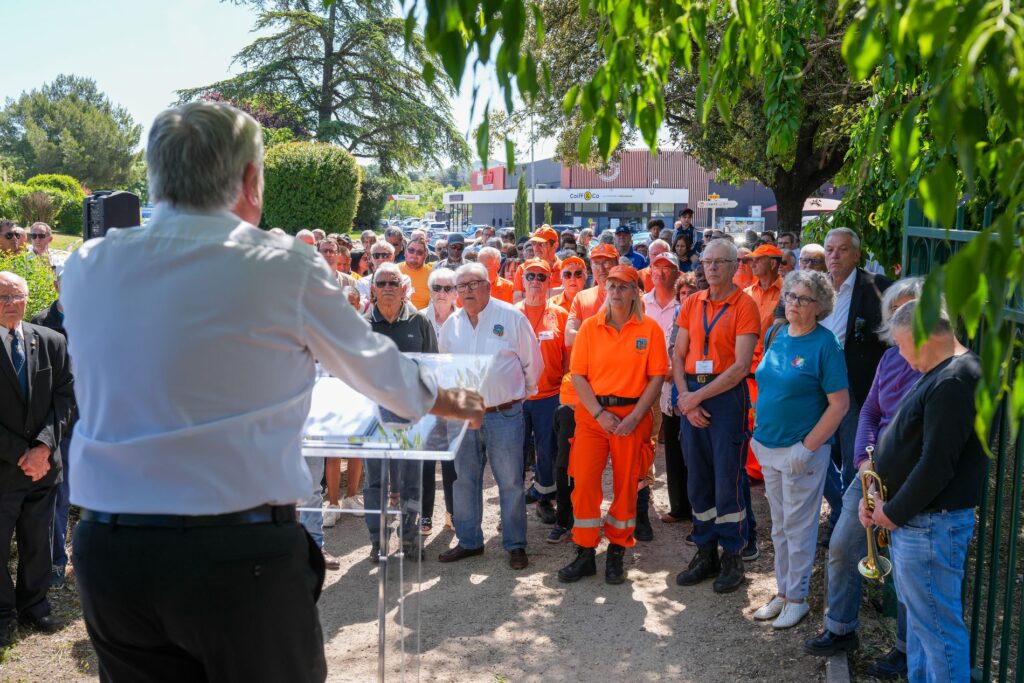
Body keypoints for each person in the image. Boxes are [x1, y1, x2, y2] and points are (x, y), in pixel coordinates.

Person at [61, 101, 483, 682]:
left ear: (156, 177)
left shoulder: (87, 265)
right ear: (250, 180)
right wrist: (453, 400)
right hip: (235, 555)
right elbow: (375, 366)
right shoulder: (283, 266)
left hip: (113, 552)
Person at [803, 277, 923, 676]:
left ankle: (905, 649)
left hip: (908, 477)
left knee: (904, 567)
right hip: (872, 472)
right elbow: (870, 412)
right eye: (897, 311)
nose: (902, 317)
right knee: (842, 545)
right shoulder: (890, 358)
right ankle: (840, 629)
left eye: (911, 309)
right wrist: (864, 463)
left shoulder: (934, 365)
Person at [867, 299, 982, 683]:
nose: (900, 355)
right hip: (921, 524)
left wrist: (892, 512)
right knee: (922, 627)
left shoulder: (953, 380)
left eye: (903, 344)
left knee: (938, 634)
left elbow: (937, 465)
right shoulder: (944, 372)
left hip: (930, 525)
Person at [750, 270, 849, 629]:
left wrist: (806, 448)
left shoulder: (825, 344)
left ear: (819, 306)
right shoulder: (778, 333)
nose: (793, 303)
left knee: (799, 527)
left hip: (800, 451)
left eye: (804, 299)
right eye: (791, 295)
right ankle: (783, 590)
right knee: (779, 526)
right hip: (768, 446)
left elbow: (840, 404)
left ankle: (798, 597)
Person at [557, 265, 668, 584]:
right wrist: (599, 414)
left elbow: (656, 377)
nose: (616, 291)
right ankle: (585, 552)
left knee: (627, 486)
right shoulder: (590, 328)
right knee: (584, 484)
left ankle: (617, 551)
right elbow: (578, 376)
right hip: (593, 418)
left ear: (635, 291)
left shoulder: (650, 330)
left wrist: (635, 416)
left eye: (623, 286)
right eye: (612, 286)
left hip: (632, 418)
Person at [438, 263, 541, 570]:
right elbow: (444, 368)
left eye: (473, 284)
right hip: (463, 415)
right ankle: (469, 541)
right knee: (465, 481)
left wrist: (517, 396)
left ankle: (515, 544)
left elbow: (532, 363)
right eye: (462, 286)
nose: (467, 291)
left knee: (509, 482)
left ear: (488, 286)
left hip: (503, 414)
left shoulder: (511, 317)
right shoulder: (451, 325)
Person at [672, 239, 761, 594]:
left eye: (719, 262)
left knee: (728, 478)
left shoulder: (745, 305)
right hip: (693, 393)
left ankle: (733, 555)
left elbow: (740, 366)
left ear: (734, 266)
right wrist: (686, 399)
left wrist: (696, 398)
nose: (710, 268)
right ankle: (705, 551)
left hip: (726, 397)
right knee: (698, 478)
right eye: (706, 261)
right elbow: (678, 355)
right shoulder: (692, 302)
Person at [0, 272, 75, 647]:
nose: (11, 304)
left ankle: (34, 605)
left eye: (17, 296)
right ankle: (2, 614)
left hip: (43, 469)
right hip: (4, 468)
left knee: (39, 543)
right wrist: (22, 454)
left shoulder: (50, 341)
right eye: (3, 297)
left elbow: (65, 398)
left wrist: (43, 448)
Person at [364, 262, 438, 559]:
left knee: (411, 480)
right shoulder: (361, 325)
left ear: (404, 288)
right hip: (373, 416)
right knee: (375, 482)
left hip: (410, 414)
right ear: (373, 289)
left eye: (393, 283)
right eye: (381, 283)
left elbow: (433, 367)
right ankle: (377, 541)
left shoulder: (419, 322)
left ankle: (409, 540)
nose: (387, 288)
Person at [818, 228, 890, 531]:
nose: (834, 255)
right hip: (816, 387)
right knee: (814, 454)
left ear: (857, 254)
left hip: (853, 388)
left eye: (843, 249)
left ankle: (846, 526)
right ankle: (840, 510)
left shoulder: (877, 288)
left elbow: (888, 339)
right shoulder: (817, 287)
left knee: (853, 460)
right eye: (829, 250)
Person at [29, 266, 78, 591]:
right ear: (56, 283)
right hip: (57, 423)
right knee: (57, 495)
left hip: (90, 420)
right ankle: (57, 561)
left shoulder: (95, 320)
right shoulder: (40, 322)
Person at [515, 259, 568, 525]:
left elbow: (569, 357)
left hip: (550, 395)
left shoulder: (560, 314)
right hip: (517, 397)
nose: (536, 281)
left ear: (549, 282)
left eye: (541, 277)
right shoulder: (512, 314)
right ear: (523, 281)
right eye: (531, 276)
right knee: (515, 450)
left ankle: (545, 498)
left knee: (547, 450)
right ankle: (513, 501)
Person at [643, 252, 682, 524]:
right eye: (657, 266)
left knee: (665, 439)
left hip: (672, 381)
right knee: (645, 436)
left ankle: (678, 501)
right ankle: (644, 488)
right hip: (643, 380)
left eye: (667, 267)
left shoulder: (684, 303)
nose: (661, 271)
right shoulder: (641, 302)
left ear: (677, 273)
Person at [421, 267, 460, 531]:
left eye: (448, 288)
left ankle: (452, 512)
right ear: (430, 290)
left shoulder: (465, 319)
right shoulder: (417, 318)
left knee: (452, 459)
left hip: (453, 398)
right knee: (424, 460)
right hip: (424, 398)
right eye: (437, 287)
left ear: (455, 292)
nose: (442, 293)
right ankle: (425, 514)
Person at [743, 244, 785, 483]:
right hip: (747, 365)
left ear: (773, 263)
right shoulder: (747, 292)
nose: (753, 264)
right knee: (749, 416)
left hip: (773, 365)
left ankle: (761, 469)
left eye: (758, 260)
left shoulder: (787, 293)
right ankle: (752, 468)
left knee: (764, 416)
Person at [661, 273, 698, 525]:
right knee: (673, 453)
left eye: (690, 292)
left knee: (693, 455)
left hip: (694, 391)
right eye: (682, 293)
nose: (686, 297)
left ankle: (697, 510)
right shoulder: (677, 315)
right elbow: (672, 349)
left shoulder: (704, 314)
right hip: (672, 393)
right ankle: (678, 507)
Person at [513, 226, 562, 302]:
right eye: (534, 243)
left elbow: (571, 295)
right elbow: (517, 300)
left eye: (541, 244)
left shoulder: (567, 270)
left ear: (555, 245)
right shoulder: (523, 268)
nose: (536, 248)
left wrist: (529, 295)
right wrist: (558, 291)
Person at [399, 237, 433, 309]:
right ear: (405, 253)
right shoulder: (394, 270)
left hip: (423, 314)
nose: (414, 255)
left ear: (425, 256)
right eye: (411, 250)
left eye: (419, 252)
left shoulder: (432, 274)